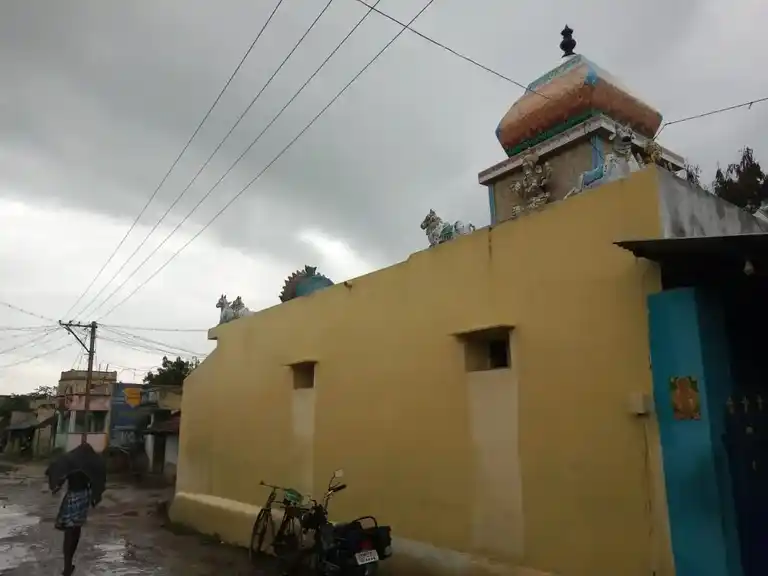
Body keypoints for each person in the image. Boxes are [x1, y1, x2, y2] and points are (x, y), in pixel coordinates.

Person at [46, 442, 106, 576]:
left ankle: (67, 565)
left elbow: (59, 476)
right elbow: (98, 481)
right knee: (76, 528)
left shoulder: (70, 462)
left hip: (73, 496)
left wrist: (56, 486)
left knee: (68, 531)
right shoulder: (93, 463)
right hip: (84, 497)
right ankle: (68, 563)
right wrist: (95, 496)